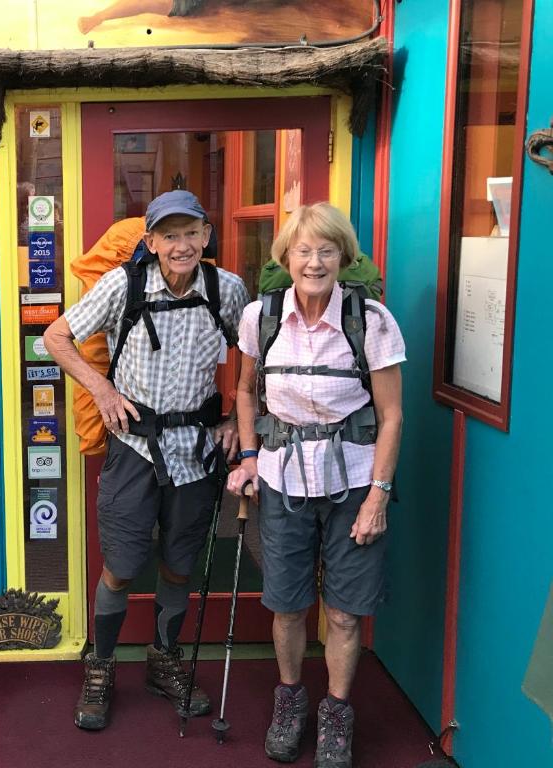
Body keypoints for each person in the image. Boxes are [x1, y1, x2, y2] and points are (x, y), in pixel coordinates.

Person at [43, 190, 249, 730]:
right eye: (169, 235)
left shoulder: (227, 291)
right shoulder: (123, 285)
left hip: (198, 452)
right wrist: (102, 391)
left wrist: (234, 421)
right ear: (151, 241)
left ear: (206, 236)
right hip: (135, 449)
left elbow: (258, 362)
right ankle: (102, 665)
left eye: (191, 233)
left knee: (179, 564)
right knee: (122, 566)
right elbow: (55, 336)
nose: (181, 245)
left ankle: (163, 660)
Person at [225, 202, 405, 768]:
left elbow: (392, 414)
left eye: (327, 250)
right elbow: (246, 392)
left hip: (353, 482)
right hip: (281, 481)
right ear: (286, 257)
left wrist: (378, 494)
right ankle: (289, 701)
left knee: (346, 612)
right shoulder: (262, 316)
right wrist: (251, 457)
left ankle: (336, 714)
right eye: (303, 250)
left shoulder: (369, 320)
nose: (315, 261)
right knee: (286, 605)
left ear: (344, 258)